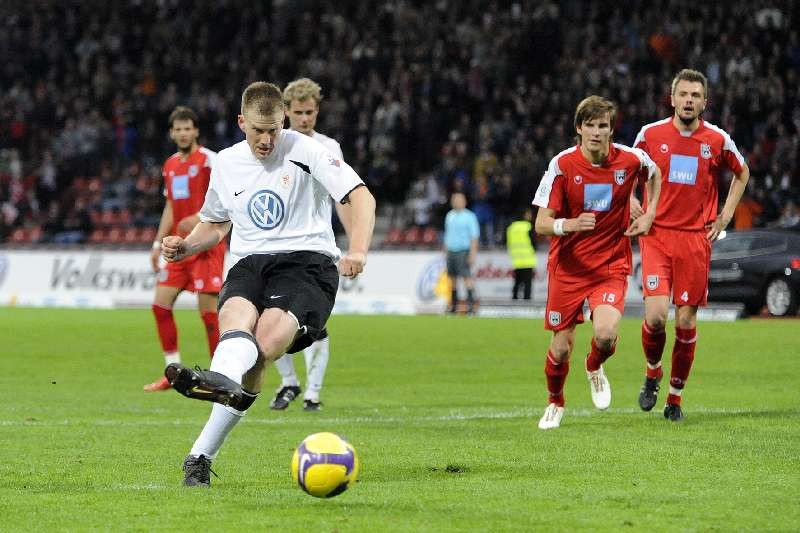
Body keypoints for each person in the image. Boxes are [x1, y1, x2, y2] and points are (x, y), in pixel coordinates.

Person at [160, 81, 375, 487]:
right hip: (250, 262)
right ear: (242, 122)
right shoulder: (226, 162)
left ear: (284, 121)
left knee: (265, 343)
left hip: (307, 262)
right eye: (258, 130)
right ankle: (207, 427)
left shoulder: (309, 151)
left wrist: (359, 250)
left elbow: (361, 197)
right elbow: (216, 223)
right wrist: (186, 246)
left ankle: (214, 404)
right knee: (234, 320)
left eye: (274, 130)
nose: (266, 140)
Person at [532, 95, 661, 430]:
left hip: (610, 265)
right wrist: (570, 224)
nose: (596, 132)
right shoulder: (562, 165)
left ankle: (593, 366)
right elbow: (541, 223)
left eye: (603, 125)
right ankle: (555, 402)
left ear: (611, 130)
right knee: (561, 348)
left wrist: (649, 213)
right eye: (590, 125)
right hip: (568, 268)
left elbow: (655, 173)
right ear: (579, 128)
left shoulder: (630, 159)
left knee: (605, 335)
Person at [632, 69, 749, 422]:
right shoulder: (649, 135)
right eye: (683, 94)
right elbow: (624, 171)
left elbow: (742, 172)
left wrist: (726, 215)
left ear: (704, 102)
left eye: (695, 95)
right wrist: (631, 202)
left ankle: (675, 398)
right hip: (656, 235)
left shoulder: (717, 139)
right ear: (672, 99)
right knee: (655, 317)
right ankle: (653, 371)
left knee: (685, 321)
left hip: (695, 239)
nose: (688, 100)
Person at [270, 77, 352, 412]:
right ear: (286, 112)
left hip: (316, 247)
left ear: (317, 111)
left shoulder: (329, 147)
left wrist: (355, 247)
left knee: (315, 323)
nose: (305, 118)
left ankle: (312, 393)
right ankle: (289, 382)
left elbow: (343, 197)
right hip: (276, 245)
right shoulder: (274, 144)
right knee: (270, 317)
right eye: (299, 112)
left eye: (310, 112)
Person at [144, 106, 223, 392]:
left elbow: (225, 196)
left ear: (196, 131)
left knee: (208, 314)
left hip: (205, 245)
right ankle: (172, 373)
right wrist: (157, 243)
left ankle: (219, 377)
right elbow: (170, 206)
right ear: (171, 133)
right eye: (178, 129)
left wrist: (201, 216)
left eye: (187, 128)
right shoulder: (170, 165)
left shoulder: (210, 160)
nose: (182, 133)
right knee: (160, 306)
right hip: (178, 248)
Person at [443, 192, 479, 314]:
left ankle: (471, 305)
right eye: (454, 200)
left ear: (464, 202)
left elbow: (474, 237)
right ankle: (453, 305)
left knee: (466, 277)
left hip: (463, 251)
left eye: (459, 200)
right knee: (452, 278)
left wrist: (472, 254)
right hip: (451, 251)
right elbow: (447, 235)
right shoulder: (449, 215)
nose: (456, 202)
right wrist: (446, 251)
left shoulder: (469, 216)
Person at [506, 208, 537, 300]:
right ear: (524, 215)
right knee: (527, 283)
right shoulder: (528, 226)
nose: (530, 216)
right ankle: (527, 302)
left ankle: (514, 299)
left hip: (516, 259)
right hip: (527, 259)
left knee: (517, 282)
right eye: (528, 214)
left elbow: (507, 242)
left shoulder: (511, 227)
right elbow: (534, 243)